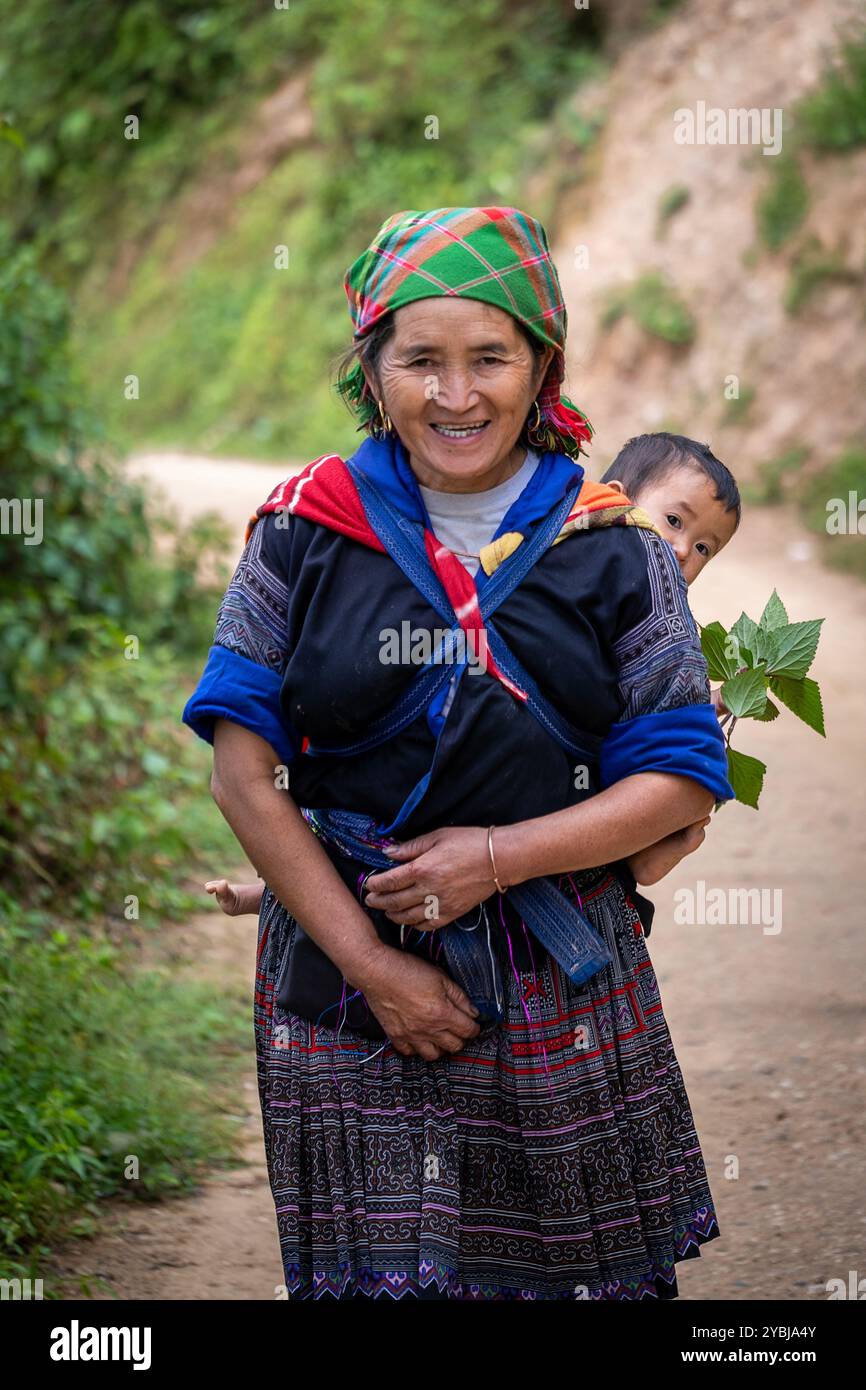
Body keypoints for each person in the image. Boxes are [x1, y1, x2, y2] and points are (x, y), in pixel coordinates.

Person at [182, 206, 734, 1300]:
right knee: (379, 1281)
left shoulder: (617, 546)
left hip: (555, 980)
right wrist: (376, 968)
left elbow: (675, 776)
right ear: (370, 370)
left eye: (489, 357)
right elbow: (244, 772)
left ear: (542, 365)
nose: (455, 394)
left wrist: (493, 857)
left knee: (569, 1278)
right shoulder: (301, 530)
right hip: (342, 984)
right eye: (418, 360)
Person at [208, 430, 741, 902]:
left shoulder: (649, 590)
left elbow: (672, 758)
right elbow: (242, 773)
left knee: (675, 823)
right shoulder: (310, 521)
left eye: (703, 548)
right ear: (618, 501)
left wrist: (497, 856)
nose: (681, 550)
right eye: (672, 521)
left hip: (558, 898)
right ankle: (273, 894)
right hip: (363, 884)